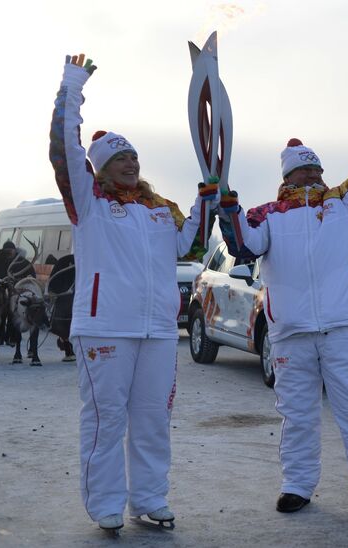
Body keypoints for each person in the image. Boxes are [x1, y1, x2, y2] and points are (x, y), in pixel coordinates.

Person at [218, 83, 348, 521]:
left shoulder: (344, 203)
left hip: (342, 329)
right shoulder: (265, 215)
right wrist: (226, 208)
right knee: (297, 415)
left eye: (317, 169)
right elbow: (243, 246)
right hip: (290, 334)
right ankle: (297, 485)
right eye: (304, 171)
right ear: (287, 177)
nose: (313, 176)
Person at [49, 53, 212, 532]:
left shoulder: (160, 210)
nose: (130, 163)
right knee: (105, 421)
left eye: (133, 157)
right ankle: (105, 505)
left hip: (159, 330)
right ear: (101, 168)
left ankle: (149, 498)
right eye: (120, 158)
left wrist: (205, 203)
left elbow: (190, 246)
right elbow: (63, 147)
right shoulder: (89, 201)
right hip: (105, 327)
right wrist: (72, 86)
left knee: (153, 420)